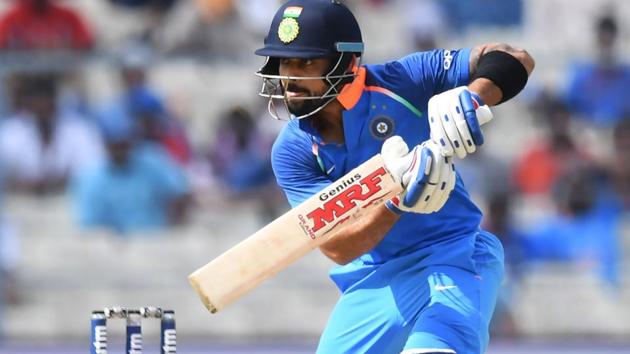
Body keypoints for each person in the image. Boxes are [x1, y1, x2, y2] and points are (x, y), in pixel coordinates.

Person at [254, 1, 534, 353]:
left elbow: (515, 56)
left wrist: (472, 98)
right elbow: (337, 246)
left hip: (454, 256)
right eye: (284, 62)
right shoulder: (292, 150)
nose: (290, 76)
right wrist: (396, 201)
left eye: (306, 61)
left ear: (346, 61)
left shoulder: (404, 80)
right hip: (375, 280)